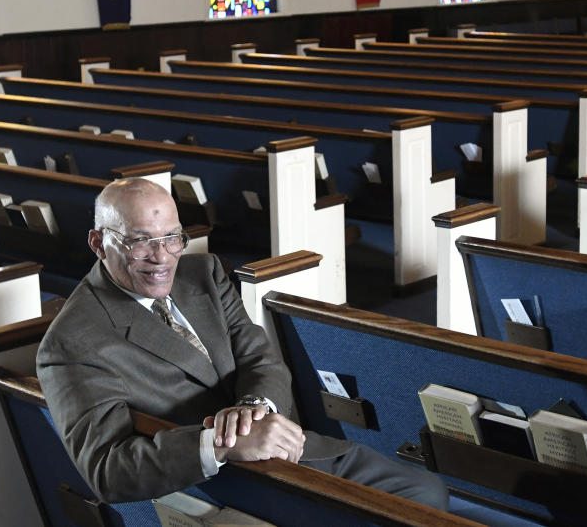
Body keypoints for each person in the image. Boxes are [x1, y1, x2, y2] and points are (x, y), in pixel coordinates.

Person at [36, 178, 448, 509]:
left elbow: (261, 358)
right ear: (97, 243)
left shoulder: (204, 273)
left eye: (172, 238)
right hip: (214, 486)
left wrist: (253, 409)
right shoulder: (73, 342)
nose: (162, 258)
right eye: (140, 241)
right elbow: (107, 470)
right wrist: (222, 442)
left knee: (425, 493)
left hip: (283, 443)